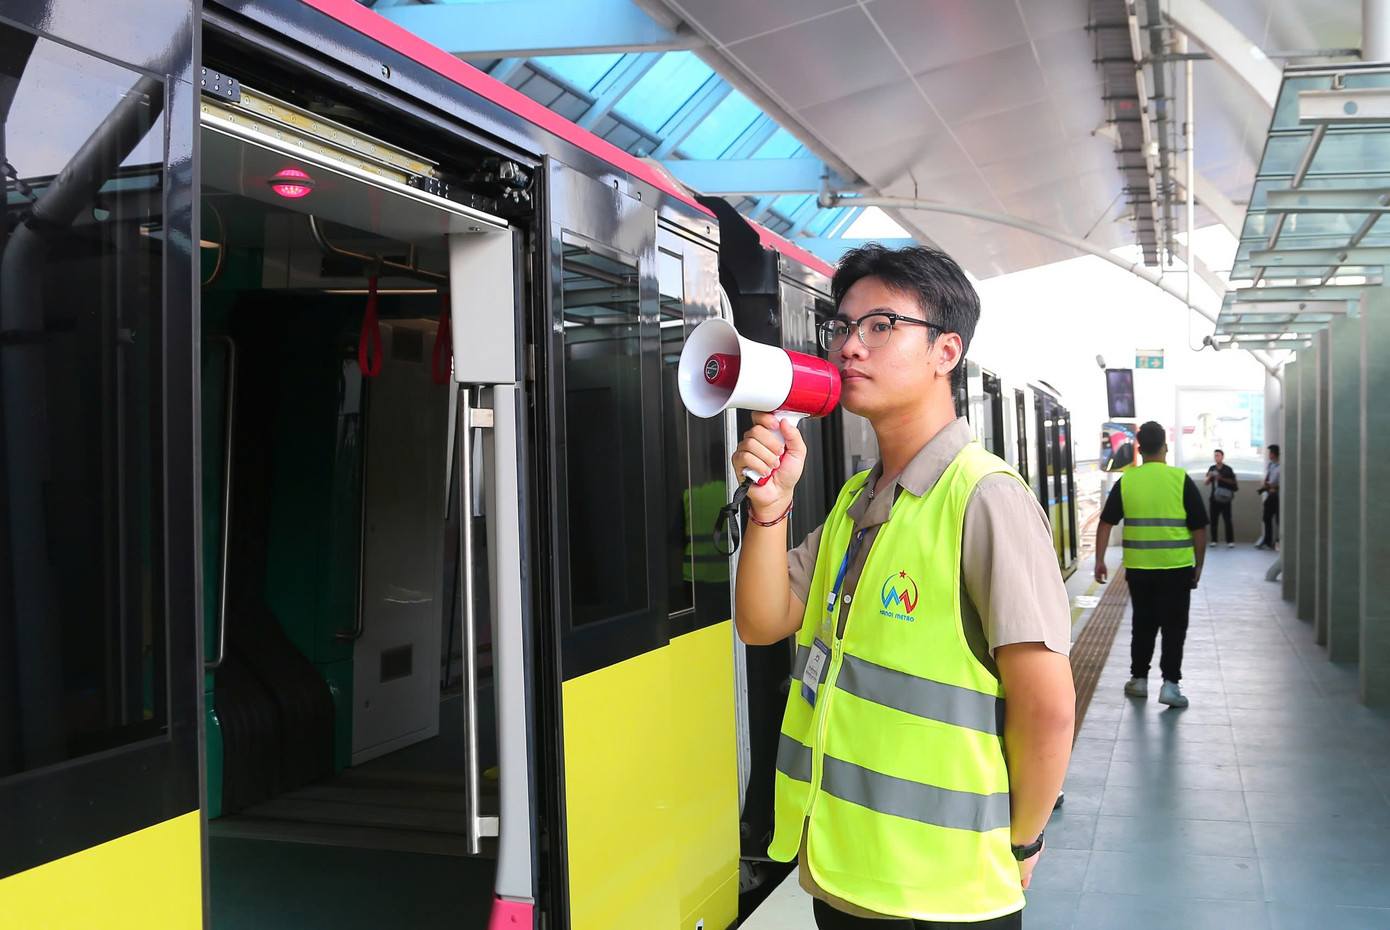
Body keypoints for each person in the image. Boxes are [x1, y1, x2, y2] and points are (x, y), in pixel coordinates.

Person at [731, 244, 1075, 928]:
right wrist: (770, 508)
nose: (849, 347)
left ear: (946, 351)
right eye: (842, 327)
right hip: (845, 878)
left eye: (880, 325)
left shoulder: (984, 499)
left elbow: (1048, 708)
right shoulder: (859, 500)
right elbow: (763, 621)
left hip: (939, 895)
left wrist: (1021, 839)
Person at [1093, 421, 1208, 708]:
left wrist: (1099, 560)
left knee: (1142, 624)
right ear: (1165, 448)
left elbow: (1106, 523)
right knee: (1174, 627)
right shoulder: (1181, 480)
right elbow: (1200, 528)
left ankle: (1139, 680)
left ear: (1139, 449)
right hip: (1177, 568)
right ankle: (1170, 685)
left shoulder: (1128, 481)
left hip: (1139, 568)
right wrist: (1198, 565)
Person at [1203, 449, 1238, 548]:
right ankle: (1214, 540)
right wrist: (1210, 476)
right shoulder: (1212, 468)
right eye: (1215, 456)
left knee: (1227, 520)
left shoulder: (1228, 469)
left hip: (1226, 498)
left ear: (1222, 457)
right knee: (1213, 520)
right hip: (1214, 498)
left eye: (1218, 456)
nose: (1216, 457)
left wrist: (1221, 478)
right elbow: (1206, 482)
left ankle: (1230, 541)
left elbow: (1234, 483)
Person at [1256, 445, 1280, 550]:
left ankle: (1279, 541)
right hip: (1270, 494)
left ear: (1274, 454)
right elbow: (1267, 478)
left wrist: (1274, 485)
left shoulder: (1281, 466)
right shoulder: (1270, 465)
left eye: (1270, 453)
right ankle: (1267, 540)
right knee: (1266, 518)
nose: (1268, 455)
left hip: (1278, 495)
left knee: (1279, 520)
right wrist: (1265, 484)